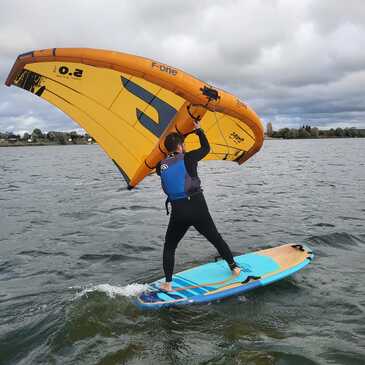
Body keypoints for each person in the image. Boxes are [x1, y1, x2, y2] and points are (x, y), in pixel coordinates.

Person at [156, 120, 241, 292]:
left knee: (170, 246)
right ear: (180, 146)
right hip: (197, 206)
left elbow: (165, 166)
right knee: (215, 238)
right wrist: (198, 130)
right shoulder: (189, 157)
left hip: (178, 211)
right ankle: (234, 267)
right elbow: (206, 148)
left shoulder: (160, 165)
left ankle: (168, 283)